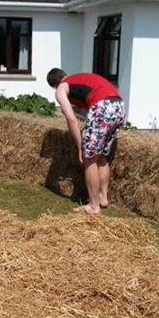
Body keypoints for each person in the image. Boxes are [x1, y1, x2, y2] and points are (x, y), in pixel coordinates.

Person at [47, 68, 126, 214]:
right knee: (101, 156)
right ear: (66, 74)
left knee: (89, 158)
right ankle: (103, 198)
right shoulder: (79, 78)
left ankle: (94, 206)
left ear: (54, 85)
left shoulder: (61, 88)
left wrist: (80, 147)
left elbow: (71, 119)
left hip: (102, 107)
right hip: (119, 106)